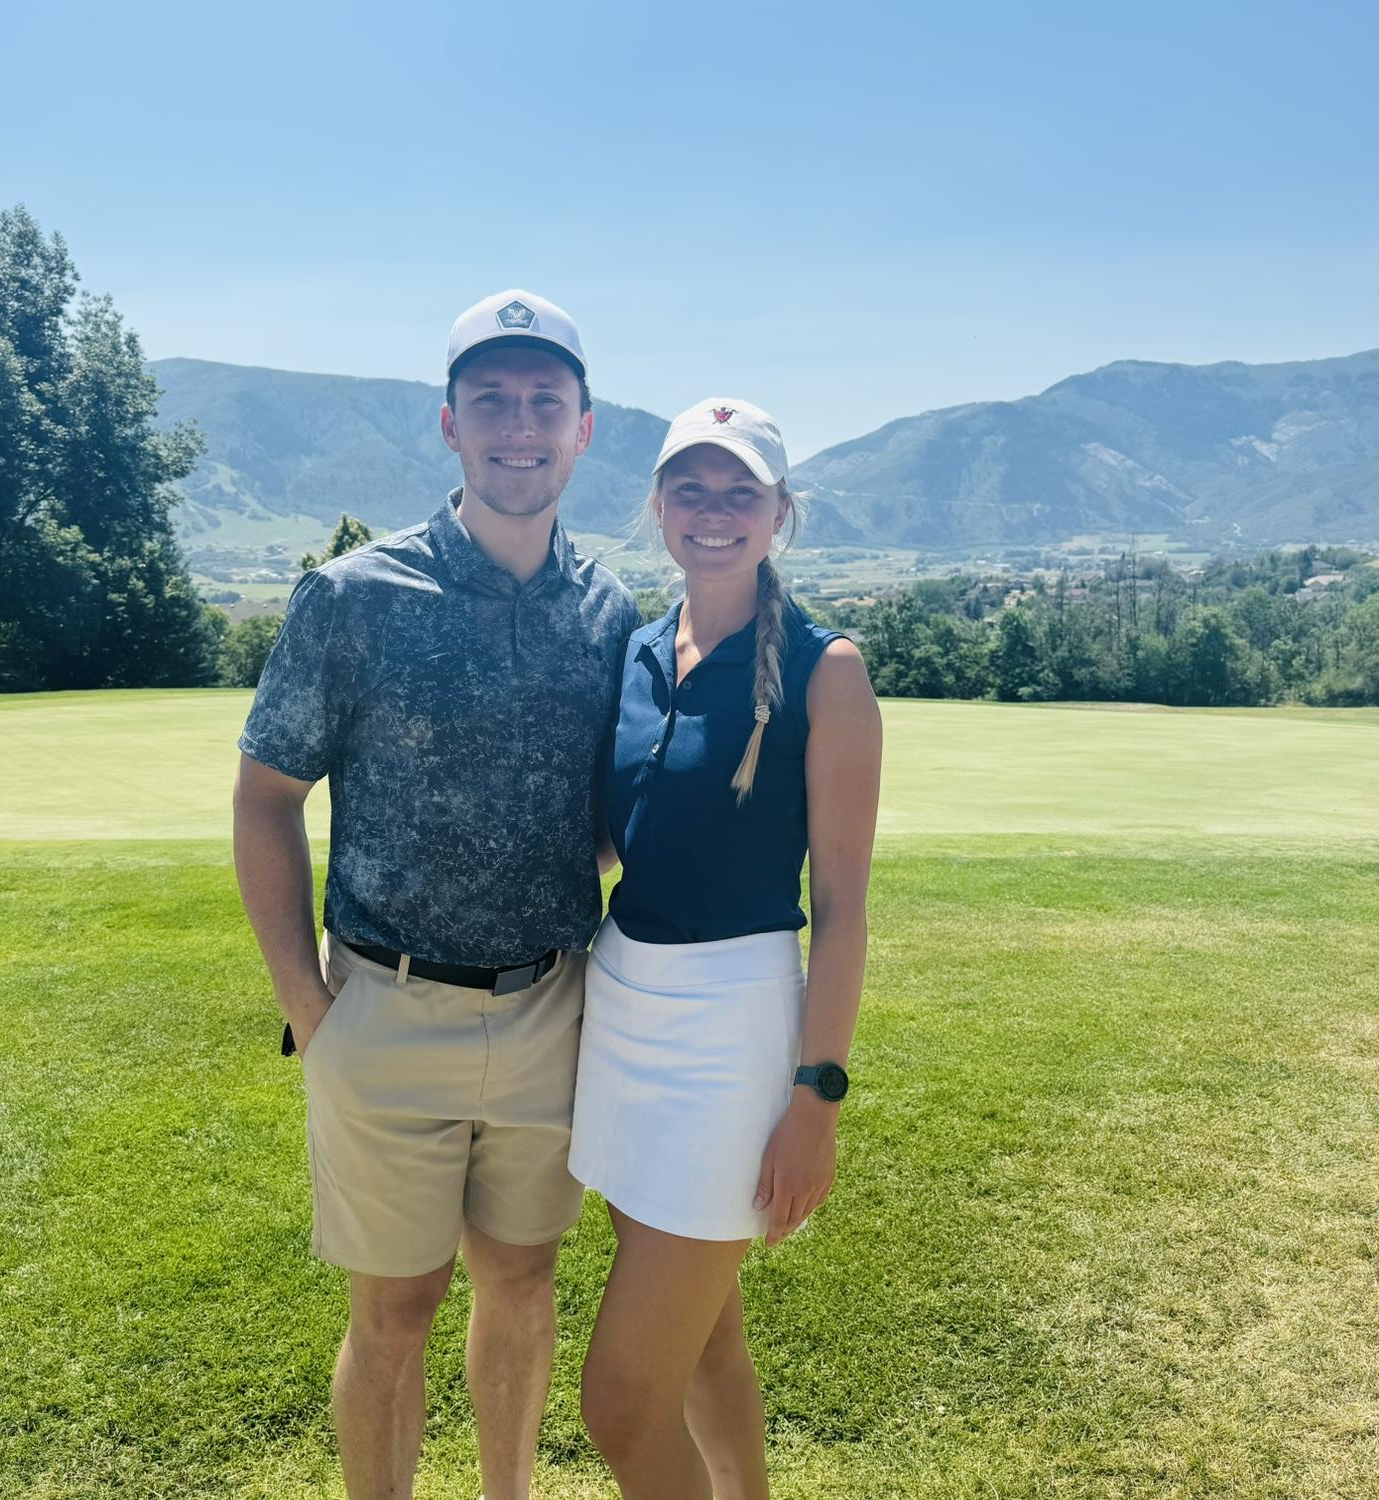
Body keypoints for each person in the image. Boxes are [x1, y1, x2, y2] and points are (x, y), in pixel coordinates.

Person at [232, 289, 641, 1500]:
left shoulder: (609, 610)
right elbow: (265, 799)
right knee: (394, 1312)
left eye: (546, 403)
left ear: (583, 429)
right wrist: (308, 1005)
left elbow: (606, 814)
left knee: (522, 1282)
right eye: (492, 401)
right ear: (450, 423)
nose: (520, 425)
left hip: (551, 1007)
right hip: (383, 1007)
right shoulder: (352, 597)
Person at [569, 398, 882, 1498]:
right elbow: (626, 835)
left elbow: (841, 905)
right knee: (707, 1345)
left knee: (620, 1402)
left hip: (731, 1038)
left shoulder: (826, 669)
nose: (714, 511)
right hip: (620, 1011)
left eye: (740, 491)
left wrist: (816, 1101)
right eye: (690, 489)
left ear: (779, 512)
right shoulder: (636, 652)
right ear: (658, 506)